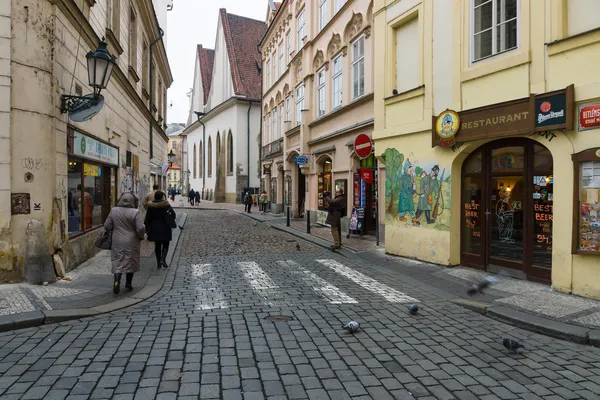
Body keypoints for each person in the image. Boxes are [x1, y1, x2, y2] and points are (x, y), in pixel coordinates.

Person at [104, 192, 146, 294]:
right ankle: (128, 283)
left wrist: (113, 231)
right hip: (132, 240)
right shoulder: (135, 212)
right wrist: (141, 236)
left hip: (117, 239)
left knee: (118, 260)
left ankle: (116, 281)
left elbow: (107, 225)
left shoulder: (114, 210)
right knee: (130, 260)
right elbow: (140, 228)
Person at [145, 191, 176, 268]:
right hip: (165, 227)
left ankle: (159, 263)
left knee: (157, 245)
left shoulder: (151, 206)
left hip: (155, 228)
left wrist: (146, 228)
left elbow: (147, 218)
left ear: (155, 196)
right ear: (162, 197)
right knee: (166, 244)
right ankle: (163, 259)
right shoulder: (166, 205)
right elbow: (173, 215)